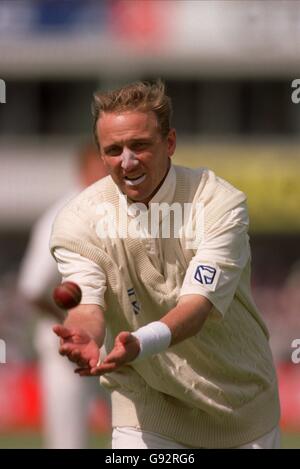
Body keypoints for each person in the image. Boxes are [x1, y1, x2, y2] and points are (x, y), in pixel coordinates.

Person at [50, 80, 281, 449]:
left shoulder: (218, 202)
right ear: (100, 154)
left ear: (169, 143)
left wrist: (140, 342)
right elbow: (86, 302)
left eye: (139, 145)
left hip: (240, 408)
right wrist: (83, 333)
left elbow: (196, 307)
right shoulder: (78, 220)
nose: (126, 161)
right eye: (113, 150)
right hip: (146, 404)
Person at [18, 143, 108, 449]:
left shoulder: (120, 210)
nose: (108, 175)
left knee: (141, 438)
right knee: (68, 444)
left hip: (115, 349)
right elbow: (32, 288)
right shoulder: (61, 216)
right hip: (66, 352)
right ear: (83, 171)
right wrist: (73, 323)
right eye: (101, 167)